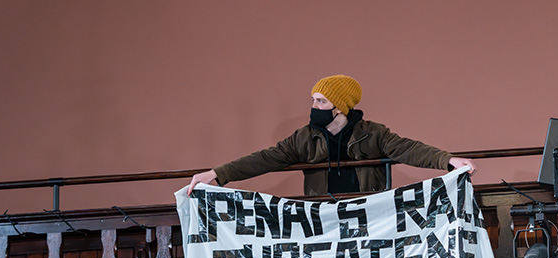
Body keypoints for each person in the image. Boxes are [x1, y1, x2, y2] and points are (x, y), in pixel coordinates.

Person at [186, 74, 477, 196]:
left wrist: (448, 160)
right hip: (323, 217)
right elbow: (266, 158)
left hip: (367, 215)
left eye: (321, 101)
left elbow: (408, 149)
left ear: (341, 107)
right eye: (313, 100)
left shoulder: (373, 133)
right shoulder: (303, 137)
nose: (315, 107)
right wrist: (216, 174)